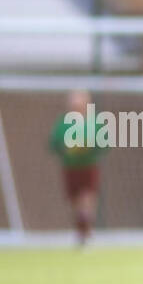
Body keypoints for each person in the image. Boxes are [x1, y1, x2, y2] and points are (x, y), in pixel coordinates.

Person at [48, 89, 106, 245]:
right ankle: (81, 231)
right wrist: (66, 148)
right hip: (70, 168)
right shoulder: (63, 124)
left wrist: (89, 147)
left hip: (88, 167)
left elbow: (104, 144)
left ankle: (87, 231)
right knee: (75, 203)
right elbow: (54, 144)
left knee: (87, 200)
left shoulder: (94, 123)